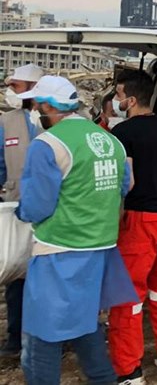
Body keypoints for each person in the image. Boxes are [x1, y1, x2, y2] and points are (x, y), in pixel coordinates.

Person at [14, 75, 137, 383]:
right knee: (84, 325)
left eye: (36, 104)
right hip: (100, 250)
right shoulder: (110, 140)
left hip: (58, 250)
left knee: (40, 340)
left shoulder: (48, 144)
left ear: (47, 107)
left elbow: (37, 207)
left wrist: (19, 210)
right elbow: (126, 185)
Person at [107, 71, 157, 384]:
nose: (117, 99)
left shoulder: (124, 133)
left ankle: (128, 370)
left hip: (141, 219)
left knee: (128, 295)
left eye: (118, 93)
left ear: (131, 98)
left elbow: (129, 182)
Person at [0, 63, 45, 359]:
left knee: (45, 277)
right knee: (17, 276)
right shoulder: (6, 121)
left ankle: (46, 337)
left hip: (50, 211)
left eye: (15, 86)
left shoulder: (56, 121)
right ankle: (15, 338)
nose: (10, 91)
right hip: (16, 207)